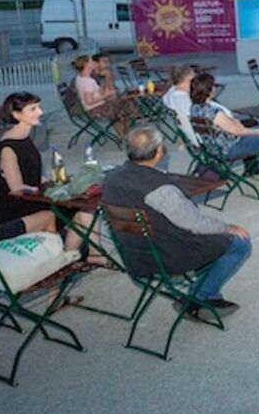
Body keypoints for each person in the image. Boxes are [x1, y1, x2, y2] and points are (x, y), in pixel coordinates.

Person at [103, 126, 251, 318]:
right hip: (170, 255)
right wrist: (227, 228)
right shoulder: (160, 189)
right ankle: (202, 295)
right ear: (158, 152)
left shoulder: (111, 177)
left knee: (213, 240)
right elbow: (194, 223)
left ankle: (200, 292)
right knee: (239, 242)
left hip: (134, 253)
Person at [0, 91, 94, 236]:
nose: (40, 112)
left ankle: (87, 255)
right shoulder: (8, 148)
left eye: (39, 107)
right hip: (18, 208)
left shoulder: (24, 137)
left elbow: (32, 175)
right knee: (80, 209)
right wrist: (46, 193)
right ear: (16, 115)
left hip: (32, 200)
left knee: (86, 207)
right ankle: (70, 251)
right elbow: (16, 190)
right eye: (33, 109)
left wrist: (60, 184)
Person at [189, 71, 259, 168]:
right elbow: (238, 131)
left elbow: (234, 126)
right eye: (213, 86)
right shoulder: (214, 112)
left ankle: (253, 167)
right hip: (231, 148)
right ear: (208, 90)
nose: (215, 88)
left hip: (213, 148)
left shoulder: (194, 109)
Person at [73, 54, 134, 137]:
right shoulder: (88, 81)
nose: (94, 63)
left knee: (122, 102)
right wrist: (106, 95)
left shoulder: (81, 77)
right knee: (123, 106)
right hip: (95, 110)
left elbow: (99, 92)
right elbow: (89, 101)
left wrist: (106, 78)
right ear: (87, 65)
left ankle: (124, 134)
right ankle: (126, 134)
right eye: (91, 61)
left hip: (97, 107)